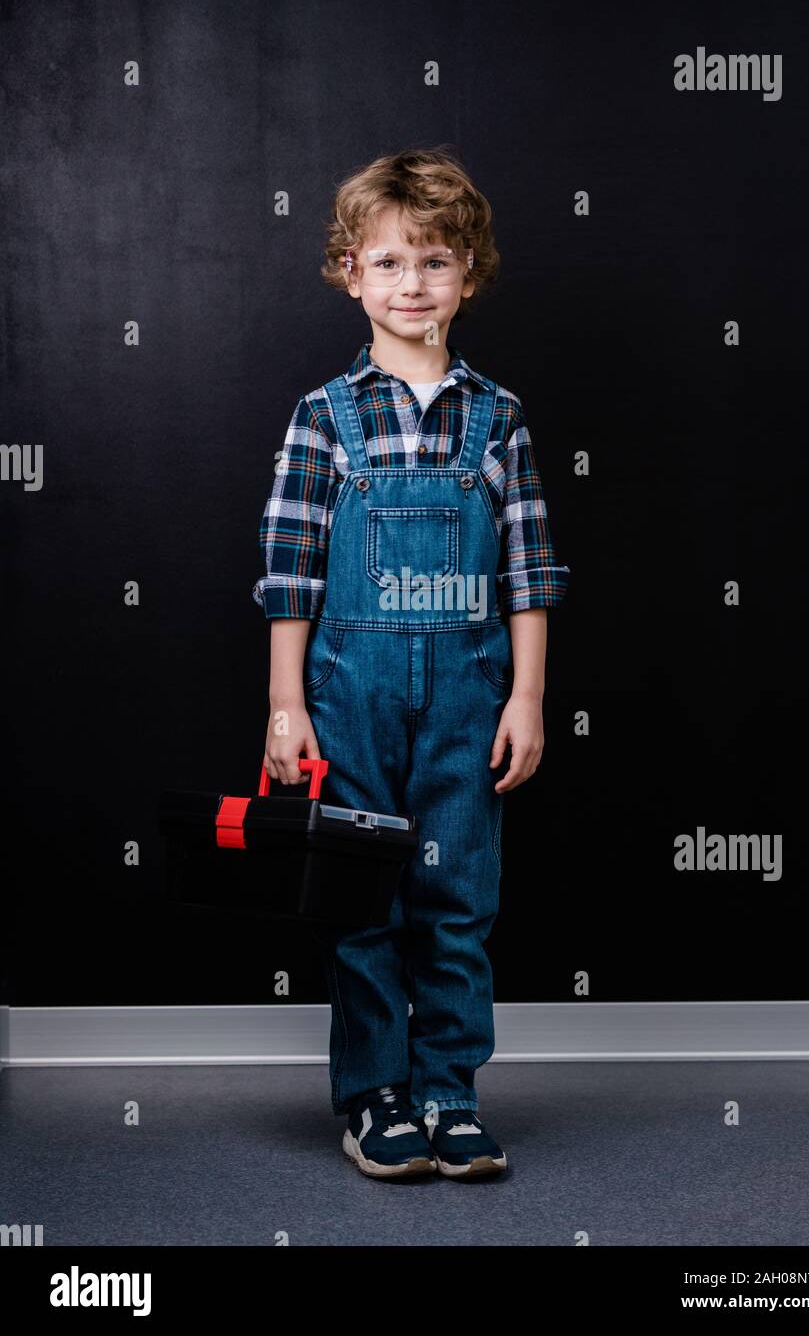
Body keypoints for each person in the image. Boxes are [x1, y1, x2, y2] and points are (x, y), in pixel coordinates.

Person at [253, 146, 569, 1180]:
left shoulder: (499, 416)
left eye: (433, 263)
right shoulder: (322, 417)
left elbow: (527, 568)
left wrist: (524, 696)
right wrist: (284, 705)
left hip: (468, 701)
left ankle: (448, 1091)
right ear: (349, 272)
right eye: (387, 264)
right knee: (360, 904)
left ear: (467, 275)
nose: (410, 284)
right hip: (348, 697)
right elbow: (289, 571)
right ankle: (375, 1096)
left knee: (458, 900)